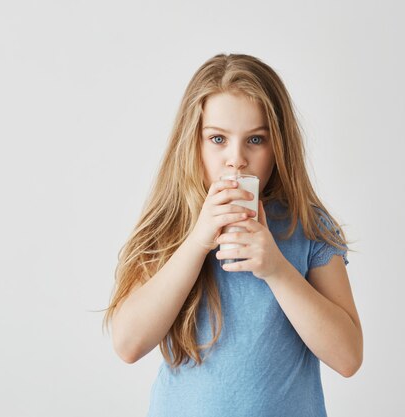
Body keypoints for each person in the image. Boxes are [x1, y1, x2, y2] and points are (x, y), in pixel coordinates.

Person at [103, 53, 363, 417]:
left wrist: (276, 269)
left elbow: (348, 357)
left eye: (255, 140)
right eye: (218, 139)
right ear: (193, 142)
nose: (236, 159)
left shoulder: (307, 225)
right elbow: (127, 344)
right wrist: (196, 242)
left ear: (279, 147)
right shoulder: (172, 223)